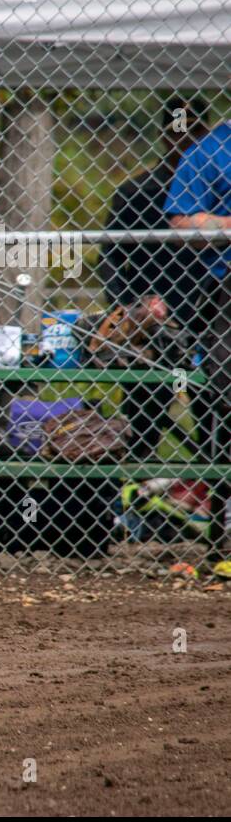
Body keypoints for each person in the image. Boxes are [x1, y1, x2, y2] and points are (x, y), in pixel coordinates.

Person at [99, 96, 209, 460]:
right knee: (142, 426)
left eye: (195, 131)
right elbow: (112, 258)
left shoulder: (217, 192)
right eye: (178, 131)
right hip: (154, 324)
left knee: (214, 423)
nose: (185, 141)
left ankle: (218, 507)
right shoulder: (138, 192)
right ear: (164, 135)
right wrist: (130, 306)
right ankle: (135, 504)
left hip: (209, 319)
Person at [164, 102, 231, 558]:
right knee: (225, 404)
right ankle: (226, 541)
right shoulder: (211, 151)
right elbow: (182, 219)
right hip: (226, 288)